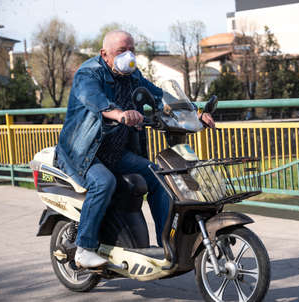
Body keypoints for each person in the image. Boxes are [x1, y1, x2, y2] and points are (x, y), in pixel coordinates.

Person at [56, 30, 215, 268]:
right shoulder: (88, 74)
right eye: (122, 51)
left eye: (132, 50)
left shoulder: (133, 76)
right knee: (104, 182)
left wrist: (195, 112)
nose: (129, 56)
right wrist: (119, 113)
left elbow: (161, 96)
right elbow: (95, 100)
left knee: (158, 177)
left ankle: (168, 246)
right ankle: (84, 248)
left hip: (115, 153)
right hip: (83, 153)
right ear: (105, 54)